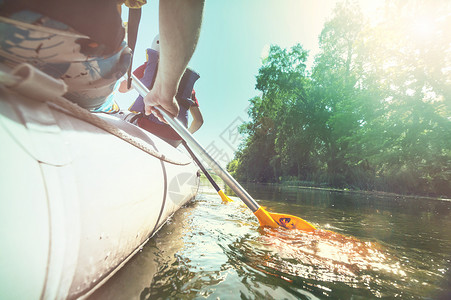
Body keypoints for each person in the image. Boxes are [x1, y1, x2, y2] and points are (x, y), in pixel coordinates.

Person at [0, 0, 205, 118]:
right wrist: (165, 91)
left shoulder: (146, 66)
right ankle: (109, 108)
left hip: (6, 24)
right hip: (82, 50)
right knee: (106, 99)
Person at [119, 35, 204, 147]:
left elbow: (122, 89)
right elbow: (198, 122)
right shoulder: (188, 87)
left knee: (120, 114)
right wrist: (183, 137)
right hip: (175, 138)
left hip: (145, 127)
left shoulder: (147, 68)